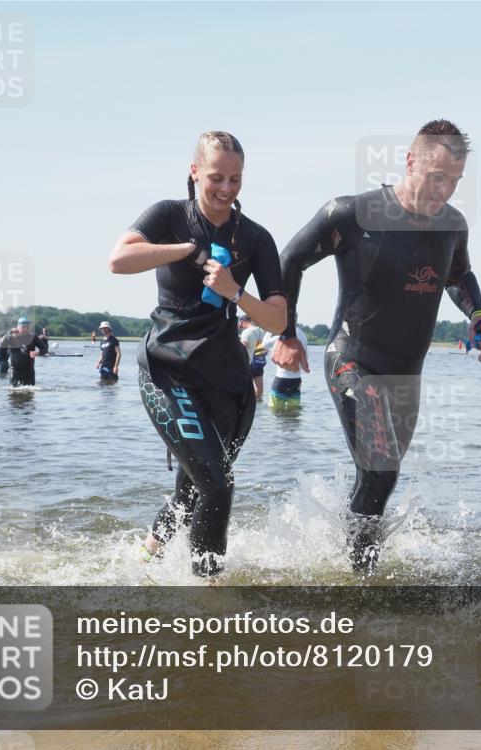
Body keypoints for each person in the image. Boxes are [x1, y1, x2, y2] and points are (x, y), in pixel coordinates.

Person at [273, 119, 481, 572]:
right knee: (383, 471)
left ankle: (336, 560)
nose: (445, 191)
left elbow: (457, 276)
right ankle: (362, 581)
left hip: (405, 376)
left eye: (455, 181)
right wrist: (286, 333)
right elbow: (291, 259)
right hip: (352, 360)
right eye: (437, 177)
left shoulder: (452, 225)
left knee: (375, 480)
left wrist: (478, 315)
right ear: (410, 161)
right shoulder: (351, 214)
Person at [109, 130, 286, 577]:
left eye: (236, 179)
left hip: (228, 383)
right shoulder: (170, 215)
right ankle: (209, 598)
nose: (226, 189)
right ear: (194, 172)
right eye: (216, 178)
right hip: (168, 371)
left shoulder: (257, 238)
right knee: (218, 486)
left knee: (196, 490)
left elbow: (279, 320)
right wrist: (186, 249)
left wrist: (235, 291)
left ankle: (144, 558)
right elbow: (119, 259)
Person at [262, 326, 308, 411]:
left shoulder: (282, 334)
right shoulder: (302, 335)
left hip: (281, 379)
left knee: (274, 411)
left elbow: (264, 345)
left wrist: (269, 330)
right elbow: (305, 360)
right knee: (294, 412)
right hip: (296, 380)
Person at [0, 316, 41, 386]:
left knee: (31, 392)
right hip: (15, 371)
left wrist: (38, 353)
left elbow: (44, 348)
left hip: (29, 371)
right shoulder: (11, 337)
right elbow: (2, 344)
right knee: (14, 393)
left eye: (27, 327)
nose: (26, 329)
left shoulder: (33, 337)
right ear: (17, 327)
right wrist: (9, 332)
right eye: (23, 327)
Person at [239, 315, 267, 399]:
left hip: (248, 364)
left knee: (244, 390)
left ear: (242, 322)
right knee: (259, 391)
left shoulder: (246, 332)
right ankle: (258, 407)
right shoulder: (262, 331)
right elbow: (266, 348)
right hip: (259, 363)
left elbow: (243, 347)